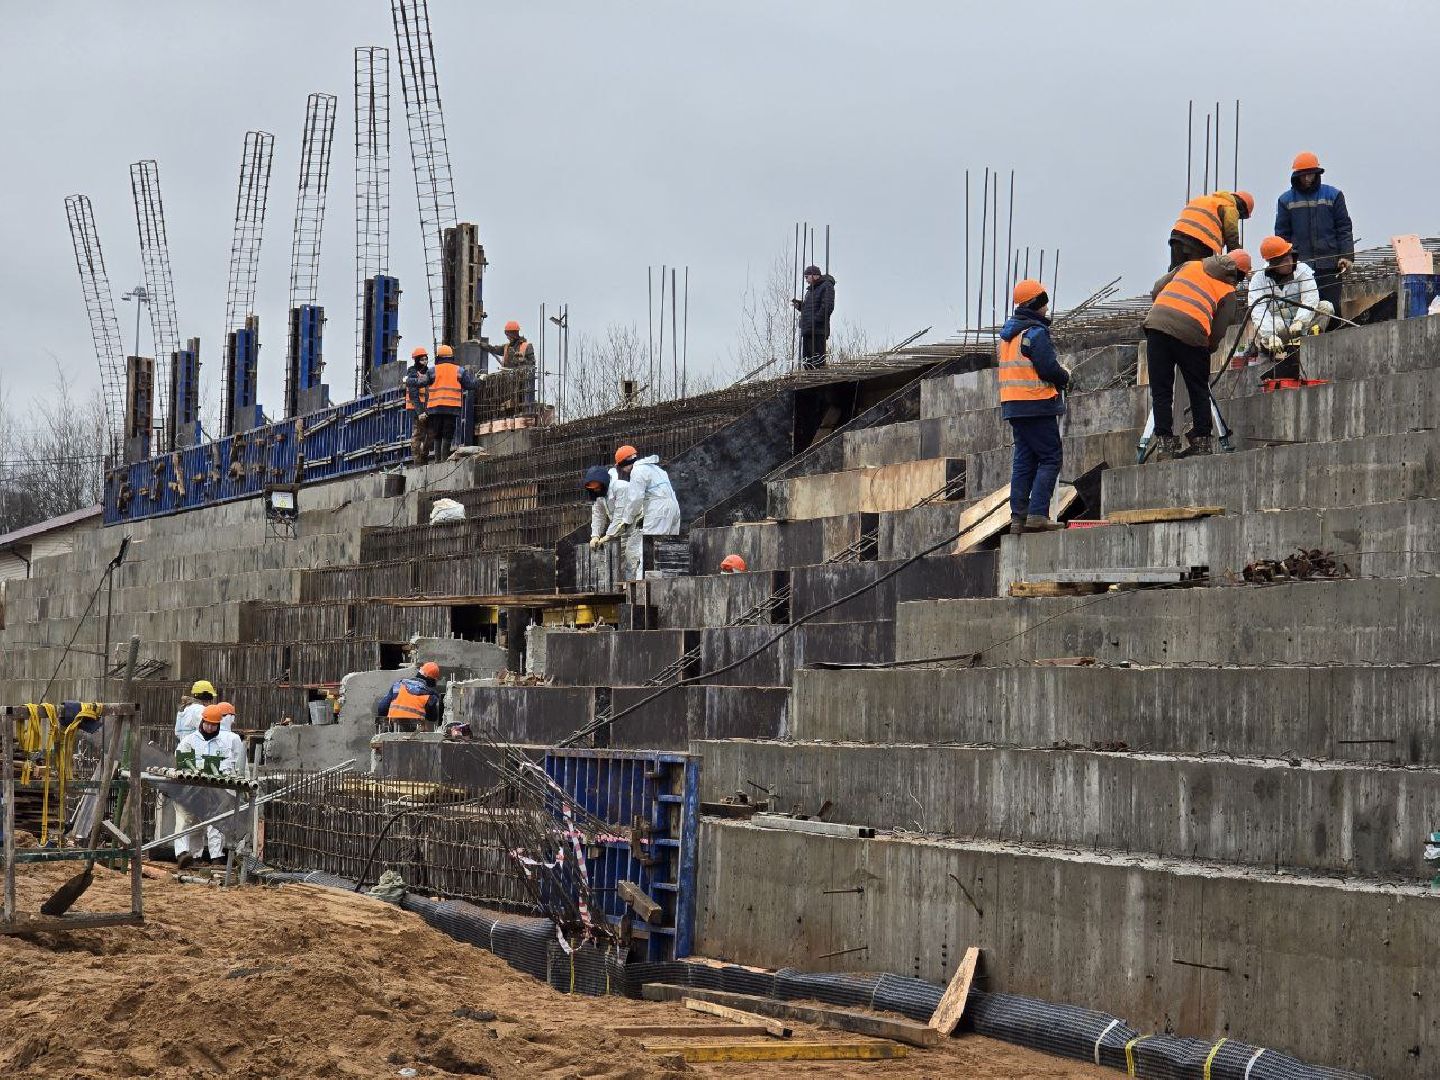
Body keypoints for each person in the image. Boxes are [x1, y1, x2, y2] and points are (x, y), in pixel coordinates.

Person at [1143, 251, 1250, 460]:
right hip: (1192, 334)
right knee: (1198, 388)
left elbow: (1157, 289)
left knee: (1161, 391)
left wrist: (1169, 307)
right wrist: (1206, 349)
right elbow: (1219, 330)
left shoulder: (1190, 265)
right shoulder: (1228, 291)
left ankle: (1165, 444)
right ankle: (1202, 441)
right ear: (1239, 275)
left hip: (1156, 325)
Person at [998, 279, 1070, 533]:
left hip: (1014, 406)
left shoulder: (1009, 337)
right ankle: (1038, 514)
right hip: (1036, 403)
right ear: (1036, 304)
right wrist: (1065, 377)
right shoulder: (1035, 333)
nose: (1047, 309)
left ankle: (1018, 518)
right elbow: (1048, 368)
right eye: (1044, 303)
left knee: (1024, 460)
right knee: (1050, 457)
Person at [1275, 152, 1353, 323]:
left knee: (1332, 310)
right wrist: (1284, 263)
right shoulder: (1286, 200)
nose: (1307, 178)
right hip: (1300, 267)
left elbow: (1344, 228)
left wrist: (1346, 256)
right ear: (1297, 175)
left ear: (1317, 174)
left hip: (1329, 265)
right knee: (1302, 310)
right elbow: (1282, 236)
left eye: (1311, 174)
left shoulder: (1333, 195)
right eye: (1303, 175)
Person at [173, 702, 246, 868]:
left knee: (215, 822)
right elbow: (179, 762)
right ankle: (185, 855)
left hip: (215, 790)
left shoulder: (225, 742)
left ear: (219, 725)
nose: (210, 728)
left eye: (214, 725)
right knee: (187, 821)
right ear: (202, 722)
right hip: (190, 789)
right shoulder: (188, 741)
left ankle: (216, 857)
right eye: (208, 724)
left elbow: (236, 767)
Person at [594, 445, 681, 581]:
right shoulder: (656, 469)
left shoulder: (637, 471)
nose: (624, 471)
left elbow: (635, 499)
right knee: (668, 548)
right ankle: (670, 581)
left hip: (658, 510)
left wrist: (626, 520)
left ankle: (643, 587)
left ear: (623, 463)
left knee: (647, 550)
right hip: (674, 508)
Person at [1249, 235, 1332, 378]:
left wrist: (1300, 321)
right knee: (1272, 328)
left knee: (1326, 308)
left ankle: (1309, 342)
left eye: (1290, 257)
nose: (1290, 262)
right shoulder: (1259, 280)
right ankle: (1274, 347)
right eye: (1284, 260)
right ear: (1274, 264)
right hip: (1278, 326)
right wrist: (1271, 335)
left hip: (1301, 325)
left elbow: (1310, 298)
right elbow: (1258, 310)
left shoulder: (1303, 270)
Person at [171, 679, 216, 862]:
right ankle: (184, 853)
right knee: (189, 813)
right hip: (194, 763)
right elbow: (211, 729)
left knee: (190, 813)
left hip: (183, 759)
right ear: (207, 697)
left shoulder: (182, 712)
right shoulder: (199, 711)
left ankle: (191, 855)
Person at [1168, 190, 1255, 269]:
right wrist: (1238, 258)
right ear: (1242, 209)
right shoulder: (1230, 206)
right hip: (1199, 242)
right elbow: (1231, 234)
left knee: (1176, 274)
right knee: (1198, 276)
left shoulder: (1205, 199)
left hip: (1177, 238)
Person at [425, 344, 479, 461]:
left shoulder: (432, 370)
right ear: (451, 356)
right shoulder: (459, 370)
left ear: (438, 356)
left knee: (437, 433)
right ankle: (444, 459)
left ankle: (437, 460)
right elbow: (470, 385)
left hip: (435, 408)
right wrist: (479, 380)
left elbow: (423, 382)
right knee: (447, 433)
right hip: (451, 408)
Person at [375, 661, 443, 733]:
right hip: (415, 732)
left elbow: (382, 708)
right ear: (432, 680)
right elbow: (433, 718)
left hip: (393, 728)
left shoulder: (398, 685)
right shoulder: (430, 694)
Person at [481, 320, 537, 405]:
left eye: (508, 334)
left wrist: (523, 360)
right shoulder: (506, 347)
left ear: (514, 334)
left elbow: (532, 364)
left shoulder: (527, 346)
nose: (508, 337)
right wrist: (480, 344)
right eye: (507, 334)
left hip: (522, 383)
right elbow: (493, 349)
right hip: (507, 381)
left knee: (519, 401)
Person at [791, 265, 836, 369]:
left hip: (817, 330)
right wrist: (800, 306)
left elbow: (827, 307)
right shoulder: (810, 291)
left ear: (814, 275)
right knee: (807, 362)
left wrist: (815, 321)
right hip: (808, 330)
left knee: (817, 362)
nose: (806, 280)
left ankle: (819, 381)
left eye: (806, 277)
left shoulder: (826, 286)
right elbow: (811, 308)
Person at [583, 464, 630, 547]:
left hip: (637, 525)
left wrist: (608, 535)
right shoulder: (600, 494)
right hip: (622, 529)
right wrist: (595, 536)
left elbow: (620, 514)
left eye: (597, 487)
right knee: (625, 556)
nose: (595, 489)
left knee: (636, 555)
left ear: (603, 482)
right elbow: (598, 515)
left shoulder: (621, 487)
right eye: (593, 488)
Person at [404, 346, 432, 465]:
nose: (424, 362)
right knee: (417, 435)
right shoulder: (412, 373)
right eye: (422, 359)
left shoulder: (428, 372)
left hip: (427, 409)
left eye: (426, 359)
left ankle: (424, 457)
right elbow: (413, 395)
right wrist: (420, 412)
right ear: (416, 360)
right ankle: (418, 461)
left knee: (429, 434)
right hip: (416, 409)